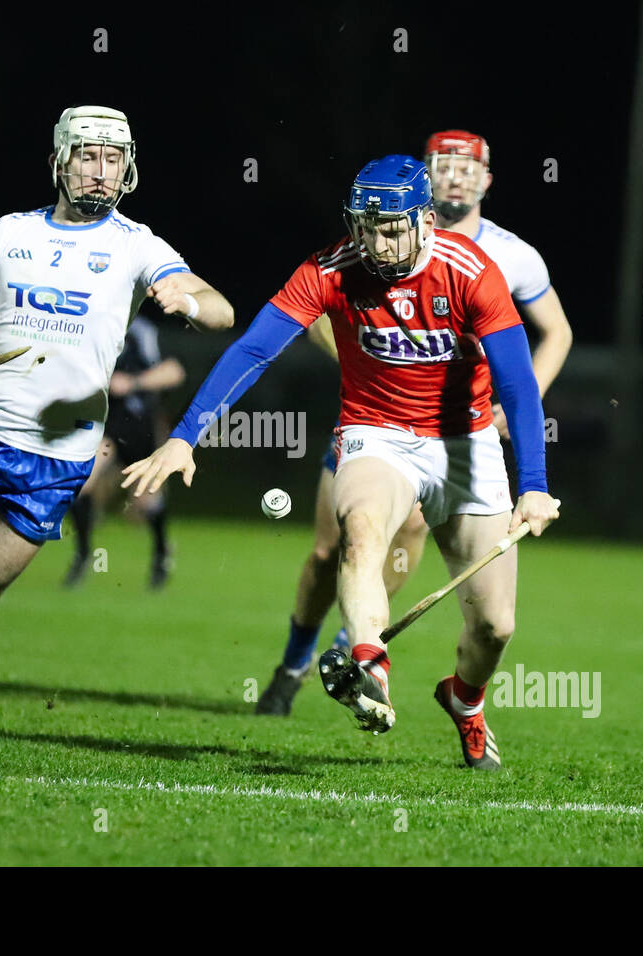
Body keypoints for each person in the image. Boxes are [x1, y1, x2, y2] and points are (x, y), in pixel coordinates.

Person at [123, 155, 559, 769]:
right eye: (363, 226)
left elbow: (517, 382)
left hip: (465, 444)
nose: (374, 243)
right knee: (361, 534)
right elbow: (255, 348)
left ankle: (464, 701)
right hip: (375, 434)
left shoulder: (471, 272)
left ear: (425, 221)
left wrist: (535, 485)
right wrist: (185, 435)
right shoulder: (330, 269)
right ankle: (367, 660)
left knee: (495, 626)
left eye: (389, 228)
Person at [0, 105, 234, 741]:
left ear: (128, 168)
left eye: (113, 159)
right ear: (61, 161)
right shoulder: (9, 233)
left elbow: (223, 310)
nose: (100, 171)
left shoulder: (137, 246)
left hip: (57, 460)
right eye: (88, 156)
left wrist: (190, 300)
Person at [255, 130, 573, 718]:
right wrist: (364, 359)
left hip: (459, 438)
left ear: (486, 181)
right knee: (337, 550)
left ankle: (355, 651)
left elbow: (554, 335)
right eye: (444, 166)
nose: (456, 176)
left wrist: (517, 407)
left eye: (468, 167)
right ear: (427, 177)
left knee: (419, 556)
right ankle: (299, 663)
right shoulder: (370, 232)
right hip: (374, 423)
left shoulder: (507, 256)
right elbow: (307, 318)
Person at [63, 313, 186, 589]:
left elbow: (173, 372)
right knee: (80, 485)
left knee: (146, 501)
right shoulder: (91, 325)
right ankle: (83, 556)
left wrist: (132, 383)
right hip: (106, 426)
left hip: (139, 426)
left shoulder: (142, 331)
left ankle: (161, 554)